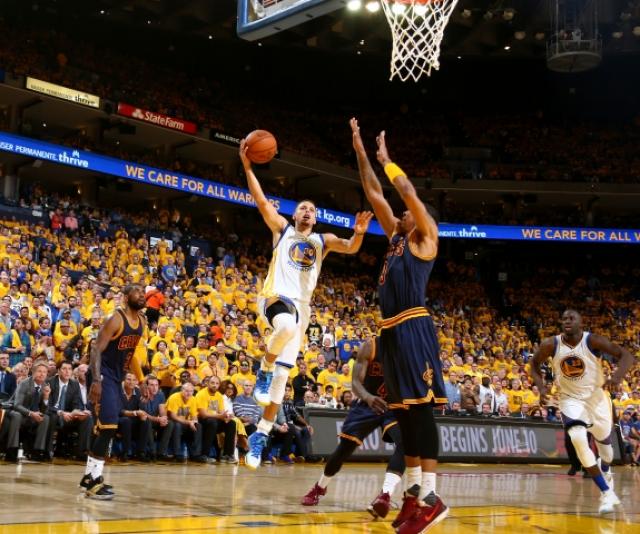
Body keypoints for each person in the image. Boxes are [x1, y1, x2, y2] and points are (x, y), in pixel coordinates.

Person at [239, 139, 373, 469]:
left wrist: (358, 233)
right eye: (302, 207)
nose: (307, 211)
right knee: (283, 327)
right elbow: (260, 200)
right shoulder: (281, 229)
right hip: (274, 297)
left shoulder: (322, 240)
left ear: (315, 218)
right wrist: (247, 166)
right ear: (294, 214)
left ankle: (260, 435)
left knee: (282, 382)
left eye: (311, 209)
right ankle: (264, 367)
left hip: (302, 307)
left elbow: (351, 247)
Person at [351, 118, 448, 533]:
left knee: (421, 413)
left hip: (413, 327)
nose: (403, 213)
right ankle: (412, 494)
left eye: (408, 213)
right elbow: (375, 193)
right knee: (405, 416)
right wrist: (360, 151)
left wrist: (388, 160)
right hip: (390, 331)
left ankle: (432, 498)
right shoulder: (395, 238)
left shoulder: (425, 238)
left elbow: (404, 189)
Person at [530, 309, 634, 514]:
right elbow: (533, 364)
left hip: (597, 398)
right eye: (564, 318)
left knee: (607, 452)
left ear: (581, 322)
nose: (567, 321)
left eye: (572, 318)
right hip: (570, 399)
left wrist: (616, 378)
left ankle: (606, 470)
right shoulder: (551, 344)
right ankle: (606, 492)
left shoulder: (592, 340)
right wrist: (541, 388)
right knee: (577, 438)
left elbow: (627, 356)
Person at [301, 338, 405, 519]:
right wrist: (368, 397)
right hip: (367, 402)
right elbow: (355, 382)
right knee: (344, 450)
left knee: (405, 443)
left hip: (393, 406)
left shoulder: (409, 350)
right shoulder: (371, 346)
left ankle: (385, 495)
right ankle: (320, 486)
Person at [80, 284, 146, 499]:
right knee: (109, 427)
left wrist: (142, 379)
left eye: (143, 292)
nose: (142, 295)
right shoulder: (115, 319)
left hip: (116, 378)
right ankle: (94, 482)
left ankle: (89, 477)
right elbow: (95, 350)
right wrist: (96, 380)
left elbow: (131, 353)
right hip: (102, 375)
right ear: (126, 297)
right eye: (137, 292)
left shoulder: (142, 322)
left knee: (104, 428)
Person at [0, 360, 51, 462]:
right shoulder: (24, 383)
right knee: (17, 416)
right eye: (39, 371)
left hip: (30, 415)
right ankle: (12, 450)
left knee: (45, 418)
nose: (42, 374)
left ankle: (37, 451)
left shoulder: (45, 386)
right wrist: (31, 413)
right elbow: (17, 405)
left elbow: (44, 411)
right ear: (33, 372)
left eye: (44, 372)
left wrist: (46, 398)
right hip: (14, 411)